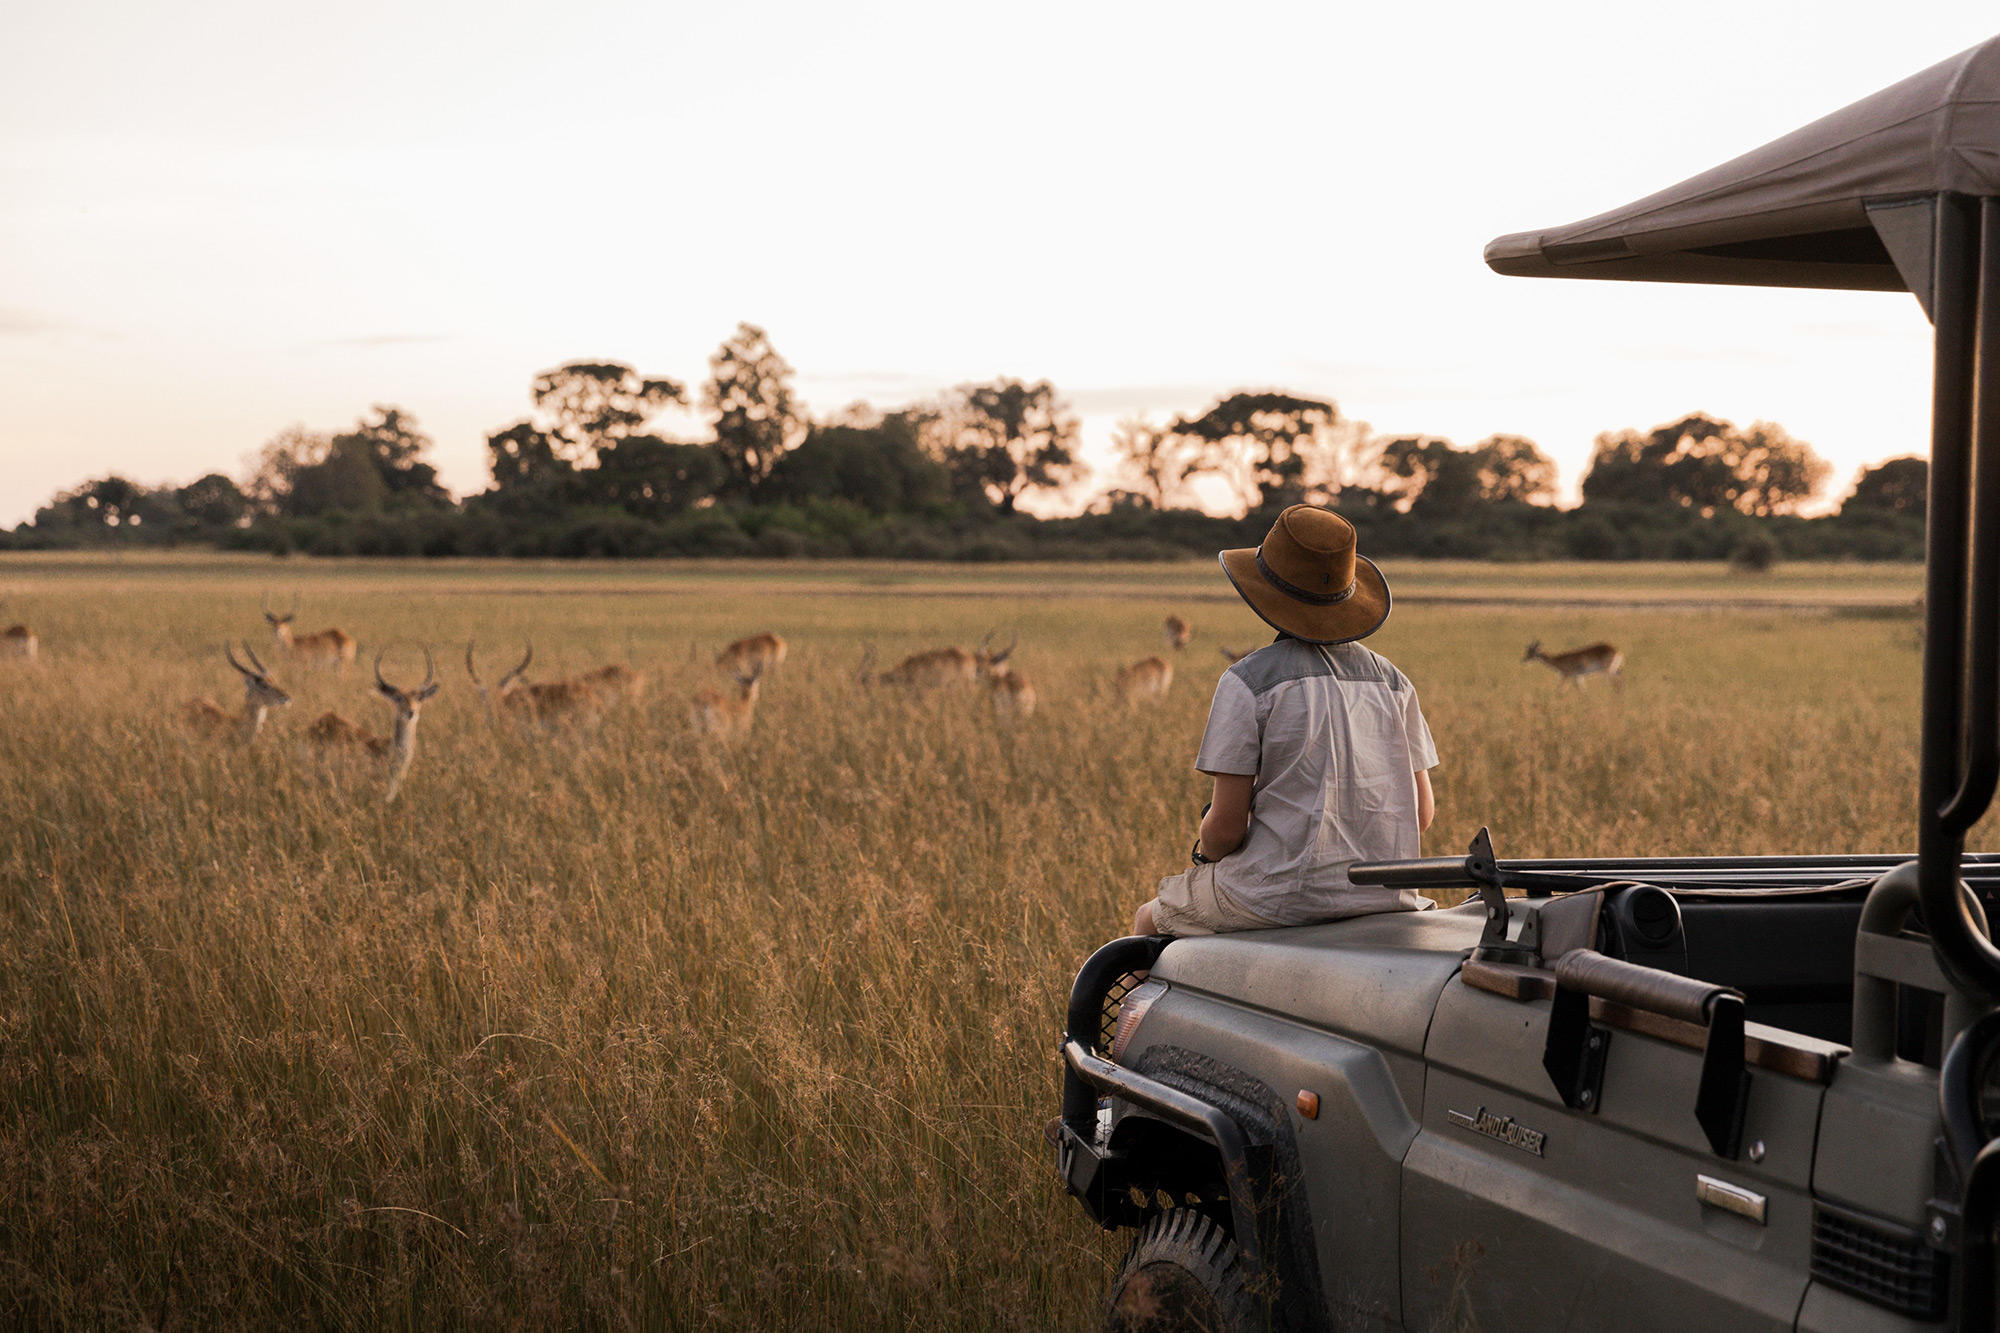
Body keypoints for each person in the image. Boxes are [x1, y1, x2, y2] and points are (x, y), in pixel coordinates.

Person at [1133, 504, 1438, 937]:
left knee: (1148, 919)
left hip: (1276, 897)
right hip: (1388, 897)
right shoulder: (1394, 682)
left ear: (1262, 593)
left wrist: (1207, 845)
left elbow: (1224, 831)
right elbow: (1422, 814)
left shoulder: (1247, 681)